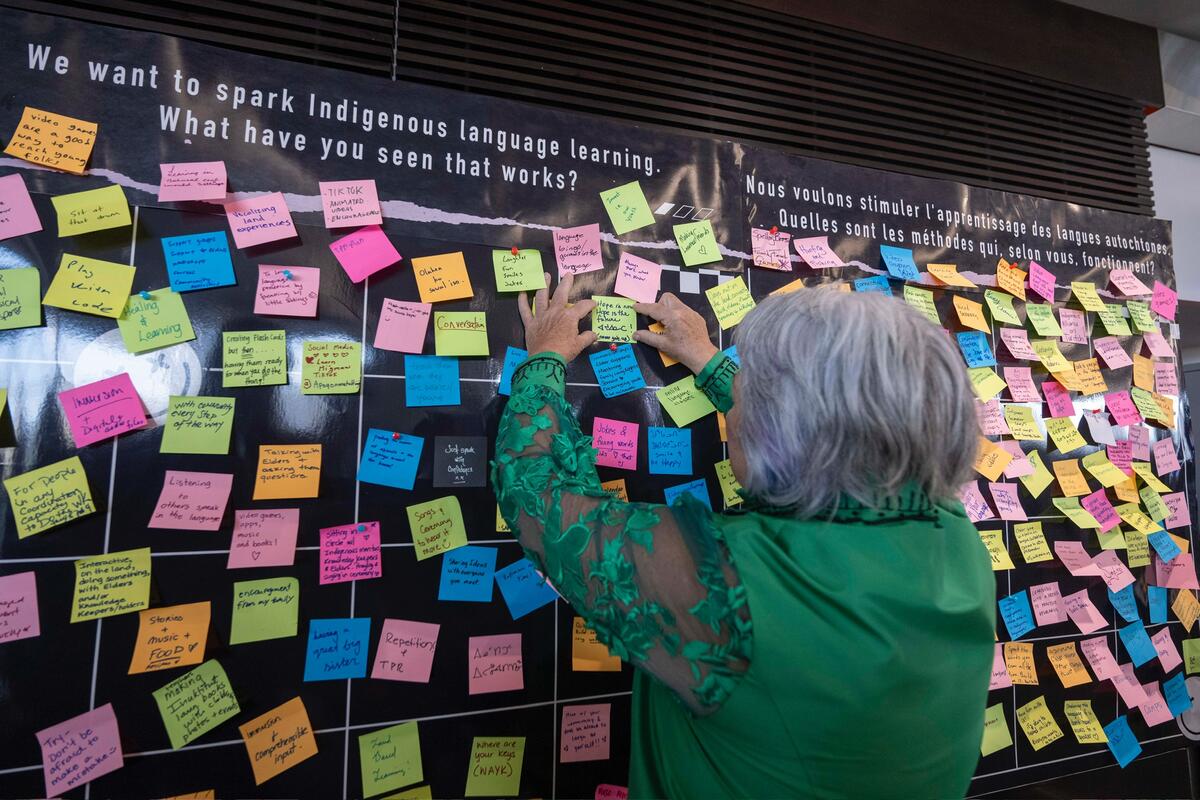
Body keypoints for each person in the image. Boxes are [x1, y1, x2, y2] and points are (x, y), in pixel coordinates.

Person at [492, 272, 996, 799]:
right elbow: (843, 427)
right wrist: (708, 360)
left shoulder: (728, 585)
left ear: (780, 434)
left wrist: (544, 358)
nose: (742, 411)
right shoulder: (952, 533)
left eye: (753, 393)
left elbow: (536, 494)